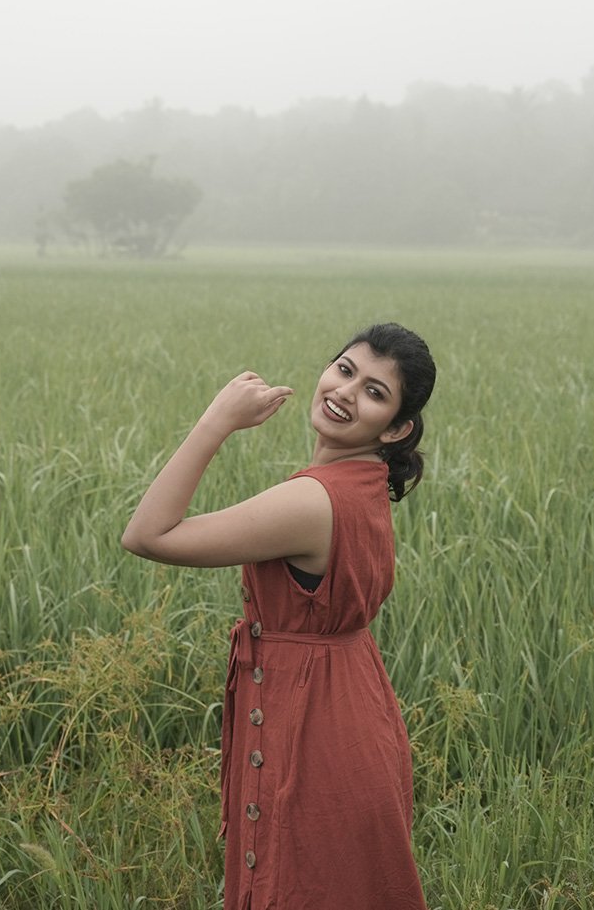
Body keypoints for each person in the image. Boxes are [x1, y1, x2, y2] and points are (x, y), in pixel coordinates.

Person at [121, 321, 436, 910]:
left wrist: (218, 420)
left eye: (374, 392)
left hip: (313, 740)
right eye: (344, 370)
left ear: (396, 428)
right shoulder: (361, 486)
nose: (344, 392)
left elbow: (148, 534)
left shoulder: (312, 501)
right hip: (349, 717)